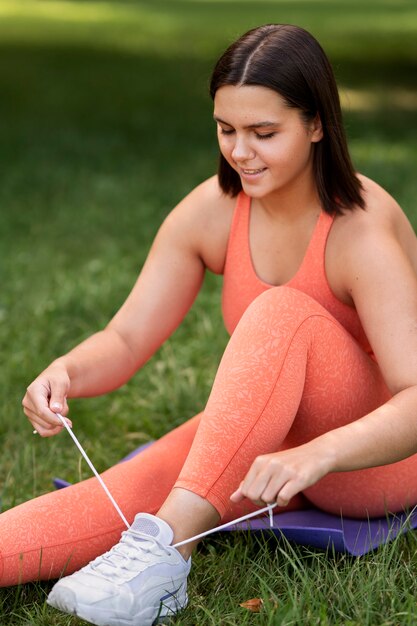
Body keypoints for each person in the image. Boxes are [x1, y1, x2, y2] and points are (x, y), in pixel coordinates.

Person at [2, 21, 417, 626]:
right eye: (226, 129)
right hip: (274, 441)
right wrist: (65, 372)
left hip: (370, 466)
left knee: (280, 311)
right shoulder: (212, 211)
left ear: (317, 124)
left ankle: (166, 556)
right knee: (121, 492)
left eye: (264, 133)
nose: (240, 152)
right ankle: (157, 542)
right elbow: (125, 338)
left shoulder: (360, 230)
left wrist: (317, 456)